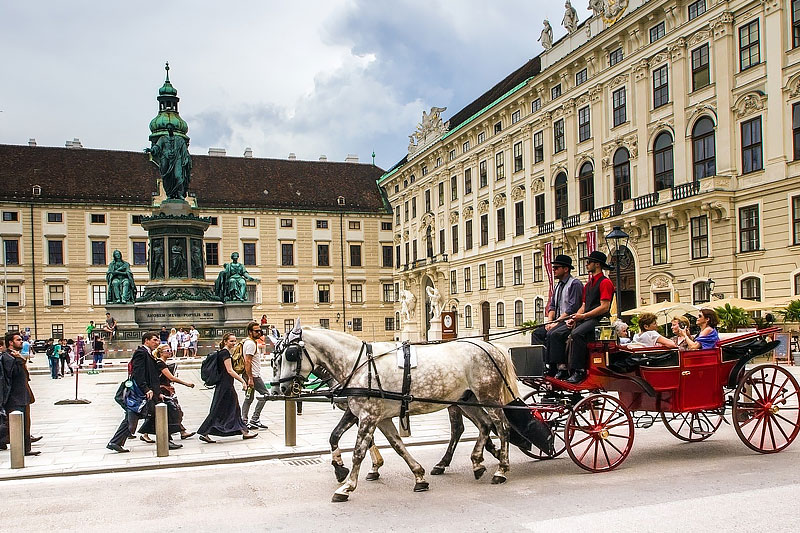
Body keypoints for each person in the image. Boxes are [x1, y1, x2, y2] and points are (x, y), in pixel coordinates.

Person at [107, 332, 167, 453]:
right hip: (141, 393)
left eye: (158, 340)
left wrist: (157, 391)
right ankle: (165, 439)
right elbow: (138, 373)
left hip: (148, 392)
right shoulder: (141, 353)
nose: (157, 342)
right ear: (146, 341)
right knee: (137, 416)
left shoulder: (148, 353)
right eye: (154, 340)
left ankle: (116, 442)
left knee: (135, 417)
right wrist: (146, 389)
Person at [564, 251, 615, 384]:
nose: (586, 265)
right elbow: (584, 305)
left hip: (600, 321)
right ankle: (564, 368)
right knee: (565, 333)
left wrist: (583, 316)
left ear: (597, 264)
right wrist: (575, 317)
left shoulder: (605, 283)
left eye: (589, 262)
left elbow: (604, 307)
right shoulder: (588, 284)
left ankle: (579, 370)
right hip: (588, 319)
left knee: (577, 334)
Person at [198, 333, 258, 443]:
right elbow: (230, 370)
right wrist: (242, 381)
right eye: (231, 341)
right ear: (225, 341)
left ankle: (244, 431)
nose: (234, 343)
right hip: (225, 386)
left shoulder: (223, 352)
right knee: (219, 409)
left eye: (235, 341)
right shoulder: (225, 353)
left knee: (233, 409)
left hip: (225, 385)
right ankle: (204, 431)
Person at [531, 254, 583, 379]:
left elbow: (573, 307)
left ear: (566, 269)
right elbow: (552, 306)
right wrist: (549, 322)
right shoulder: (557, 286)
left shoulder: (574, 284)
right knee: (537, 333)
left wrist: (557, 322)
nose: (553, 270)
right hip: (557, 321)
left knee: (553, 334)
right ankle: (544, 364)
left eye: (556, 268)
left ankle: (561, 368)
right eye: (553, 268)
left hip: (569, 321)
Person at [138, 344, 195, 443]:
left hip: (164, 390)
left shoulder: (161, 362)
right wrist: (187, 384)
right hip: (162, 391)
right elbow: (171, 378)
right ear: (161, 352)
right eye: (167, 350)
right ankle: (147, 434)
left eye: (169, 350)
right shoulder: (160, 363)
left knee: (170, 412)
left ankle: (181, 431)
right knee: (172, 411)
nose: (169, 352)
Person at [1, 331, 40, 456]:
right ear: (10, 343)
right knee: (15, 425)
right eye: (18, 340)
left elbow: (25, 376)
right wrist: (19, 360)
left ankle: (26, 448)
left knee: (25, 424)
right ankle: (20, 448)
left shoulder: (15, 356)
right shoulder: (7, 357)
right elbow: (12, 375)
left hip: (23, 395)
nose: (21, 342)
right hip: (14, 397)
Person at [241, 321, 269, 430]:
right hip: (253, 376)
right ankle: (254, 419)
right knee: (265, 394)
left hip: (250, 375)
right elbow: (247, 361)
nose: (259, 332)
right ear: (250, 332)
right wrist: (251, 378)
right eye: (256, 331)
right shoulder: (251, 344)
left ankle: (244, 421)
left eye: (260, 330)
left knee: (249, 398)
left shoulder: (249, 342)